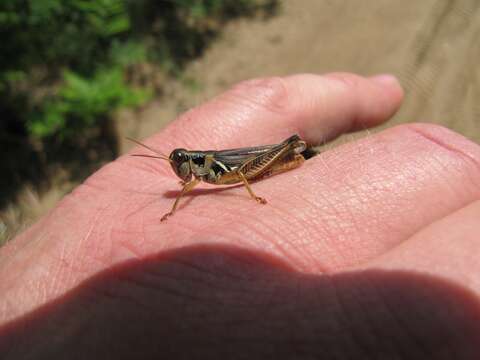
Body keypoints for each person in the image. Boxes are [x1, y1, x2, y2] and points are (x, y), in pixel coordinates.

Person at [1, 73, 479, 359]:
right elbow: (188, 187)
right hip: (250, 166)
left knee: (285, 149)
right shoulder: (192, 177)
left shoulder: (213, 170)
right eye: (181, 165)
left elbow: (228, 173)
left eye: (183, 164)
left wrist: (250, 197)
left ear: (193, 161)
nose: (183, 171)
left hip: (268, 159)